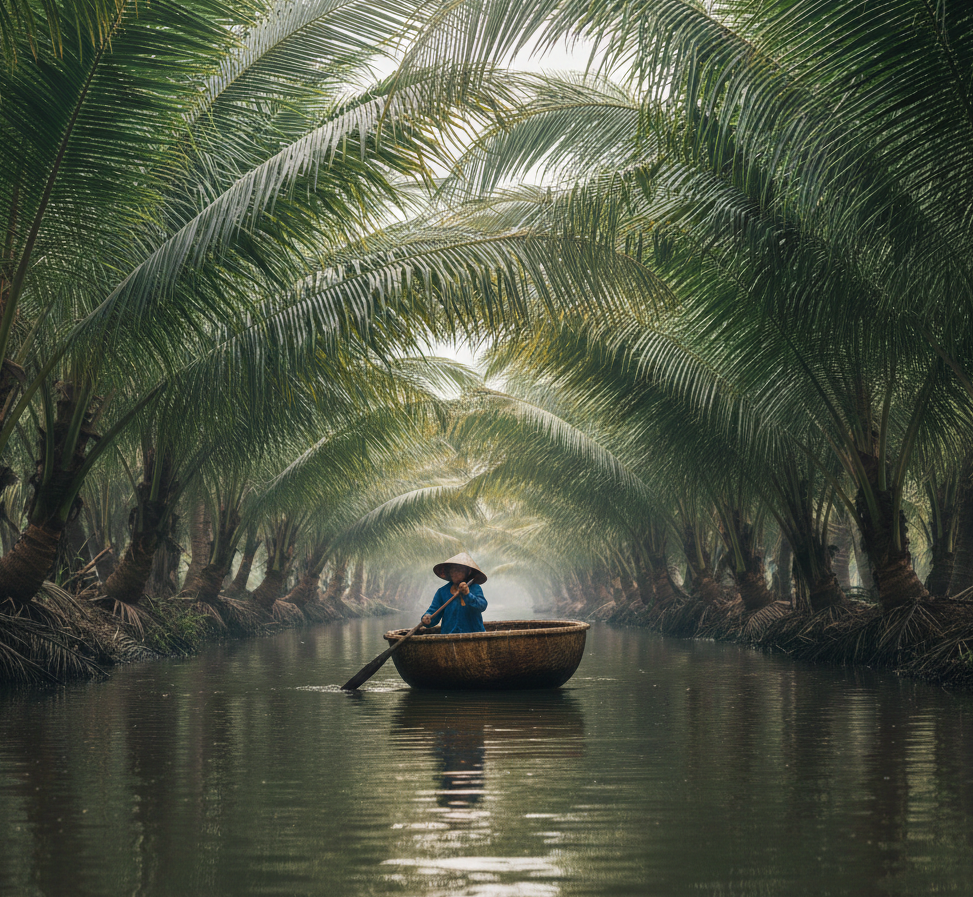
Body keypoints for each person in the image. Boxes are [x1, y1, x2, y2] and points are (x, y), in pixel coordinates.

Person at [421, 552, 488, 634]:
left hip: (474, 635)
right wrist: (427, 618)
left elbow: (482, 606)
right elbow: (434, 612)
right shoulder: (442, 592)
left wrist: (467, 594)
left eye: (459, 570)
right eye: (452, 570)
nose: (454, 573)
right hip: (449, 637)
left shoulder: (475, 588)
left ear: (468, 572)